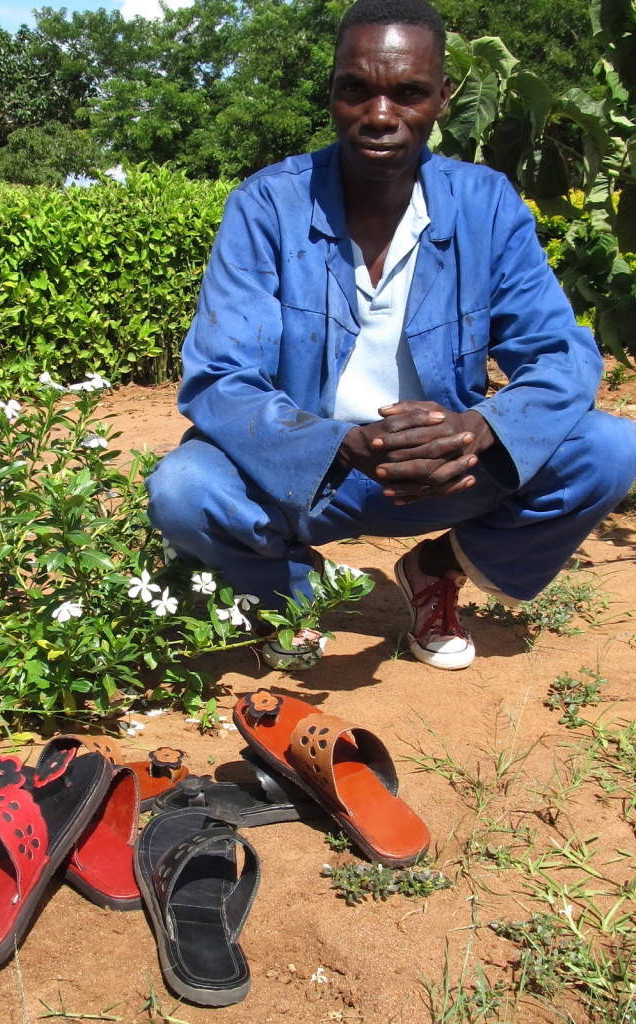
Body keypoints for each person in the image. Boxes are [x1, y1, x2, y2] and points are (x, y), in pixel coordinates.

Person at [146, 0, 636, 672]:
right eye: (356, 90)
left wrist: (478, 431)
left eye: (407, 93)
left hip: (447, 473)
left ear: (441, 98)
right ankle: (294, 595)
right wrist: (337, 442)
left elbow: (559, 354)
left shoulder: (485, 205)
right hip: (302, 480)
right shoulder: (267, 206)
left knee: (610, 449)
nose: (379, 115)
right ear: (333, 95)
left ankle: (437, 570)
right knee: (184, 488)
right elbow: (220, 377)